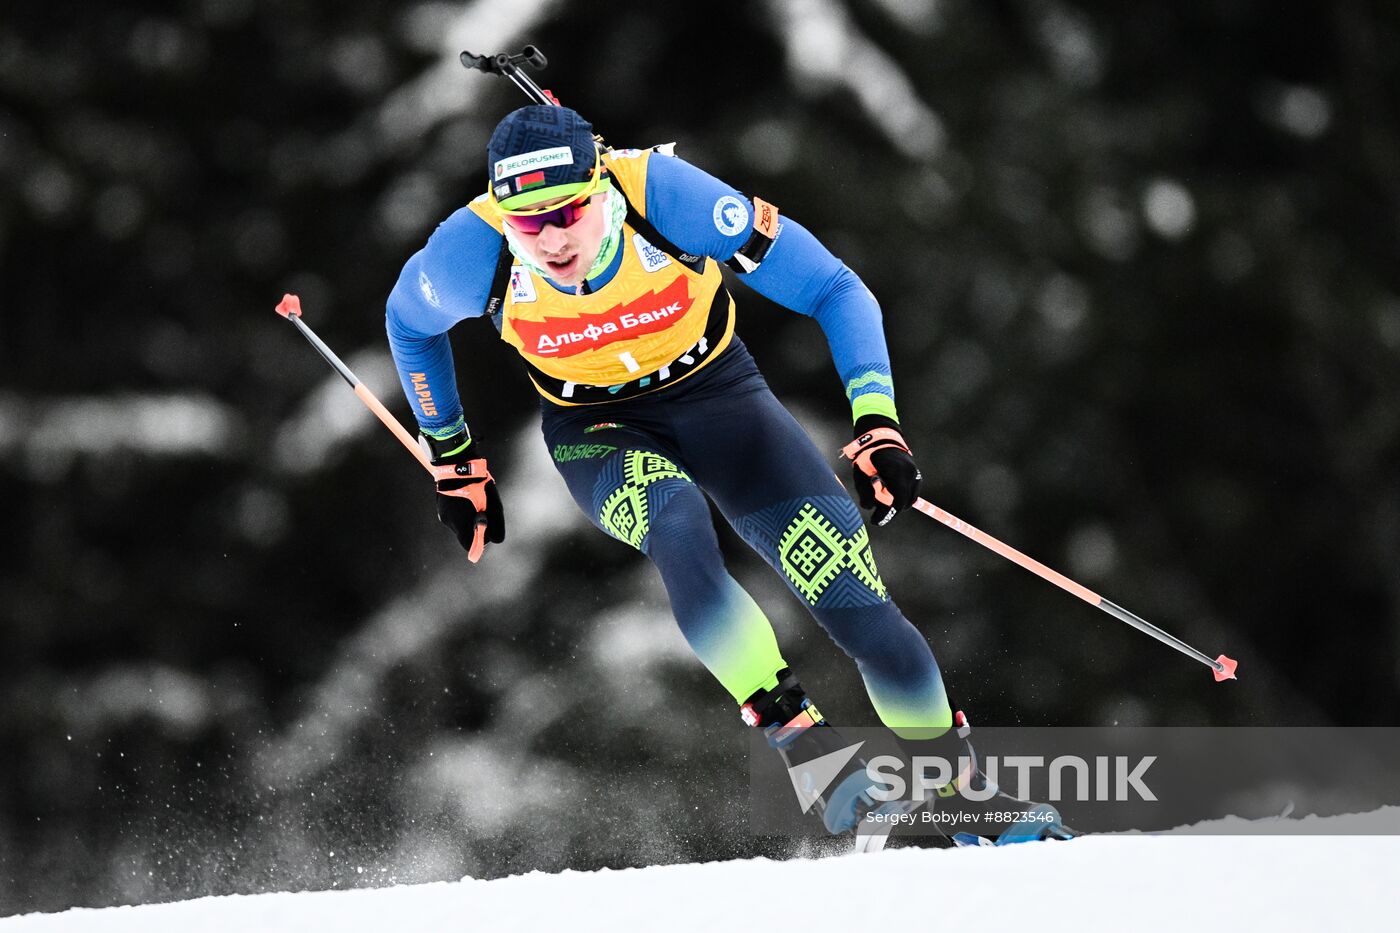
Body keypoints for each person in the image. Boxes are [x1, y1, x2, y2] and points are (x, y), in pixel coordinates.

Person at [384, 104, 1064, 842]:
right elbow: (407, 322)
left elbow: (836, 288)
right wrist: (451, 456)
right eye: (525, 222)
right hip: (596, 430)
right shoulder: (471, 251)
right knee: (675, 521)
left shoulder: (668, 198)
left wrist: (877, 422)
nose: (547, 239)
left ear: (601, 185)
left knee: (854, 599)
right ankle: (804, 741)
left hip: (722, 401)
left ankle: (961, 797)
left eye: (566, 212)